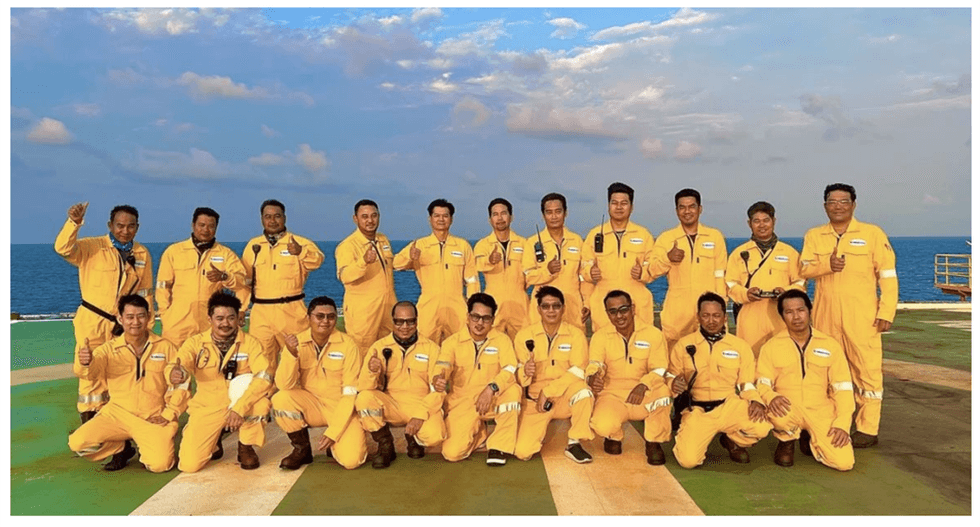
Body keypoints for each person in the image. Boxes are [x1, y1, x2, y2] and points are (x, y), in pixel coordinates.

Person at [800, 183, 898, 448]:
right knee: (822, 373)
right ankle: (824, 424)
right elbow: (804, 270)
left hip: (863, 317)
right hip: (824, 317)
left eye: (844, 201)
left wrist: (886, 311)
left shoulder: (872, 234)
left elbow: (887, 276)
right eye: (832, 201)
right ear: (825, 206)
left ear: (854, 204)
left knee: (867, 372)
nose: (838, 206)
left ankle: (867, 428)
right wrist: (825, 265)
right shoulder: (814, 236)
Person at [55, 203, 154, 423]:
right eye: (119, 226)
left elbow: (145, 293)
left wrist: (146, 326)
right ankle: (90, 424)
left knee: (122, 371)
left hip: (124, 324)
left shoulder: (141, 254)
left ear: (137, 228)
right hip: (92, 321)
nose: (124, 231)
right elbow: (62, 248)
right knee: (89, 369)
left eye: (130, 226)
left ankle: (120, 435)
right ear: (110, 225)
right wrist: (74, 223)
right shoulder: (92, 247)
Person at [67, 295, 179, 472]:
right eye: (130, 317)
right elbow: (90, 374)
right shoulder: (108, 349)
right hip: (117, 415)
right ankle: (119, 445)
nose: (135, 322)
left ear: (149, 317)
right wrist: (86, 362)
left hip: (152, 416)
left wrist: (169, 413)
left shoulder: (167, 348)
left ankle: (150, 446)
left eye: (141, 316)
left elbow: (180, 386)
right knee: (78, 444)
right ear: (120, 319)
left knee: (160, 465)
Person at [167, 292, 274, 472]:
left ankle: (245, 446)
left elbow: (264, 377)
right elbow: (180, 362)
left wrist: (239, 408)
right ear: (210, 319)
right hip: (207, 406)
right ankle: (214, 440)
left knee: (261, 404)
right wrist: (175, 373)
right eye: (220, 318)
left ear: (238, 318)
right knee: (189, 465)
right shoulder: (195, 343)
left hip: (240, 403)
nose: (225, 323)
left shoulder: (251, 343)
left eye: (231, 318)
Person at [668, 292, 772, 468]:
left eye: (716, 315)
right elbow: (670, 375)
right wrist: (673, 383)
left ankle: (732, 439)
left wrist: (755, 401)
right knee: (688, 461)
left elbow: (746, 384)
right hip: (697, 409)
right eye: (706, 315)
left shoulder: (740, 347)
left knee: (762, 426)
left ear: (725, 317)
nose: (711, 321)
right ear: (698, 317)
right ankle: (693, 434)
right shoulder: (683, 345)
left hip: (728, 406)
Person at [757, 290, 855, 470]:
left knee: (844, 463)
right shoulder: (771, 347)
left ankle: (810, 438)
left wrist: (842, 424)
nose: (796, 317)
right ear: (782, 316)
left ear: (810, 311)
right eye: (789, 312)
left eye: (801, 310)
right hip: (787, 408)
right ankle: (787, 440)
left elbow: (843, 389)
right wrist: (771, 397)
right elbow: (762, 383)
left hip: (820, 410)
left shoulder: (830, 344)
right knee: (778, 414)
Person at [273, 297, 366, 470]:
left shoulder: (348, 345)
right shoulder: (296, 343)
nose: (325, 321)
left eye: (331, 317)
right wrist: (291, 354)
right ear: (309, 317)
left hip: (340, 408)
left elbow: (350, 393)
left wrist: (333, 433)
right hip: (312, 405)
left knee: (352, 461)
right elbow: (284, 385)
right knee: (281, 398)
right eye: (320, 316)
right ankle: (302, 450)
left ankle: (335, 446)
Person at [354, 301, 447, 469]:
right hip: (391, 405)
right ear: (393, 321)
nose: (405, 326)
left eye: (410, 321)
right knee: (364, 398)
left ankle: (414, 439)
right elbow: (363, 387)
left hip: (420, 405)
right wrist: (371, 371)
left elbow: (438, 391)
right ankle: (385, 444)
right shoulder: (379, 347)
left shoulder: (432, 349)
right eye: (399, 321)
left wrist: (420, 416)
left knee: (436, 436)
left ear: (417, 321)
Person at [586, 290, 672, 465]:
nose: (619, 316)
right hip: (613, 395)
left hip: (644, 394)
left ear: (633, 309)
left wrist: (644, 385)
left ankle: (654, 441)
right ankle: (613, 435)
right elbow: (595, 363)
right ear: (607, 314)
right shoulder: (600, 336)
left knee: (663, 392)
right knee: (602, 425)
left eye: (623, 309)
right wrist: (593, 377)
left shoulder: (653, 334)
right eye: (613, 311)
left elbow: (660, 368)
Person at [513, 286, 595, 464]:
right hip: (536, 402)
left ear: (563, 308)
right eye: (546, 306)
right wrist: (525, 372)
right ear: (538, 309)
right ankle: (537, 431)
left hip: (564, 396)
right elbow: (517, 375)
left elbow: (579, 370)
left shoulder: (576, 335)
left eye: (556, 306)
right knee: (523, 452)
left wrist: (549, 391)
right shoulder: (524, 336)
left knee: (584, 392)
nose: (551, 311)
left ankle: (574, 443)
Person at [437, 293, 521, 465]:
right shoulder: (452, 342)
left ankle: (498, 447)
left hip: (493, 398)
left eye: (486, 318)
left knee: (513, 391)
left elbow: (510, 369)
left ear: (493, 320)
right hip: (464, 402)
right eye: (476, 317)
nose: (480, 323)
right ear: (468, 317)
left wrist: (492, 387)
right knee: (451, 453)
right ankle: (479, 434)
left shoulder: (502, 341)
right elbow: (443, 364)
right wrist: (439, 376)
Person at [241, 199, 324, 361]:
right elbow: (246, 281)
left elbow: (317, 261)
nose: (272, 221)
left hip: (292, 311)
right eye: (268, 217)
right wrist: (241, 309)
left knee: (299, 359)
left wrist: (300, 252)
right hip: (261, 314)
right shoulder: (253, 245)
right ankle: (265, 387)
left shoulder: (299, 242)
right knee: (261, 362)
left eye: (277, 216)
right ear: (262, 219)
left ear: (284, 218)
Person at [157, 207, 248, 347]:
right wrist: (165, 314)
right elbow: (163, 286)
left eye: (211, 226)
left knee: (210, 365)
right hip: (177, 323)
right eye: (202, 225)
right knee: (174, 364)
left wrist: (224, 277)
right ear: (193, 225)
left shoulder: (225, 254)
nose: (206, 230)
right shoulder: (174, 252)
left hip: (210, 323)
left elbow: (242, 282)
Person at [651, 189, 728, 351]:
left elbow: (720, 275)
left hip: (709, 313)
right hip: (677, 315)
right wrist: (668, 258)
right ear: (676, 211)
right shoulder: (666, 238)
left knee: (711, 359)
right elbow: (652, 271)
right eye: (682, 207)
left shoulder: (714, 237)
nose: (687, 211)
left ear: (700, 209)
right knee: (676, 364)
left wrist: (720, 308)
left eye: (691, 207)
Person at [393, 199, 479, 344]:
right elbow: (395, 264)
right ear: (430, 219)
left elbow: (472, 279)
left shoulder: (462, 246)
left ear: (451, 219)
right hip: (428, 306)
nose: (441, 219)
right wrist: (410, 256)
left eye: (445, 216)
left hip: (457, 306)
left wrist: (474, 306)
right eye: (437, 216)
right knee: (424, 346)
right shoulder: (419, 245)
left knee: (461, 345)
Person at [725, 201, 805, 356]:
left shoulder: (789, 253)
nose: (762, 225)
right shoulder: (738, 253)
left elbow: (800, 283)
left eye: (766, 220)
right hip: (749, 317)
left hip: (781, 317)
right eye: (756, 221)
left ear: (774, 221)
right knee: (749, 360)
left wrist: (786, 292)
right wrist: (746, 294)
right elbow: (730, 284)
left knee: (783, 359)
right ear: (749, 224)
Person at [581, 183, 656, 332]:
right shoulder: (594, 235)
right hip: (604, 305)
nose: (619, 207)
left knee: (641, 348)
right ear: (608, 206)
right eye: (614, 203)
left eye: (624, 203)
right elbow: (583, 268)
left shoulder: (643, 235)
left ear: (631, 207)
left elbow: (654, 267)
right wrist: (590, 272)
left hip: (637, 304)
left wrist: (643, 273)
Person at [335, 199, 397, 353]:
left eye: (374, 216)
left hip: (388, 307)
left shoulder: (382, 239)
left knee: (390, 350)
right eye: (364, 216)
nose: (370, 220)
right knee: (363, 353)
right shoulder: (347, 246)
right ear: (355, 219)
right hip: (364, 313)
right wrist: (363, 262)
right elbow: (345, 276)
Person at [523, 193, 589, 331]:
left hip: (572, 307)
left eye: (558, 211)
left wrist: (587, 303)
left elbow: (584, 277)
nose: (554, 216)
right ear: (543, 215)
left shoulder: (577, 241)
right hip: (543, 309)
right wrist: (548, 271)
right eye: (549, 212)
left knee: (574, 348)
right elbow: (528, 277)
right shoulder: (532, 243)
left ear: (565, 213)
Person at [474, 198, 529, 339]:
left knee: (524, 345)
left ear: (511, 217)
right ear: (490, 219)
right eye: (495, 214)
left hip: (520, 305)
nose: (500, 218)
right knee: (492, 346)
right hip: (493, 304)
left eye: (503, 213)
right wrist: (490, 260)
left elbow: (531, 272)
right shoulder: (483, 244)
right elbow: (477, 265)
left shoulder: (524, 243)